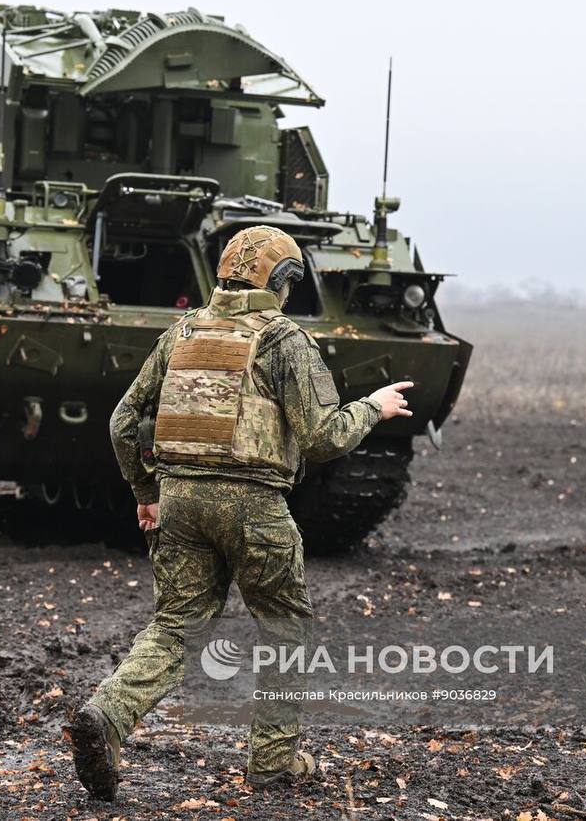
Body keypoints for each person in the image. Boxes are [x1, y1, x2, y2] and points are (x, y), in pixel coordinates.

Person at [69, 225, 414, 800]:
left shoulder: (182, 331)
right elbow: (324, 436)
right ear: (281, 283)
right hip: (254, 505)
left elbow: (122, 422)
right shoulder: (283, 340)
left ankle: (107, 715)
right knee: (284, 626)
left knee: (176, 627)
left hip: (179, 502)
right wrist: (373, 408)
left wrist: (146, 493)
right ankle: (273, 763)